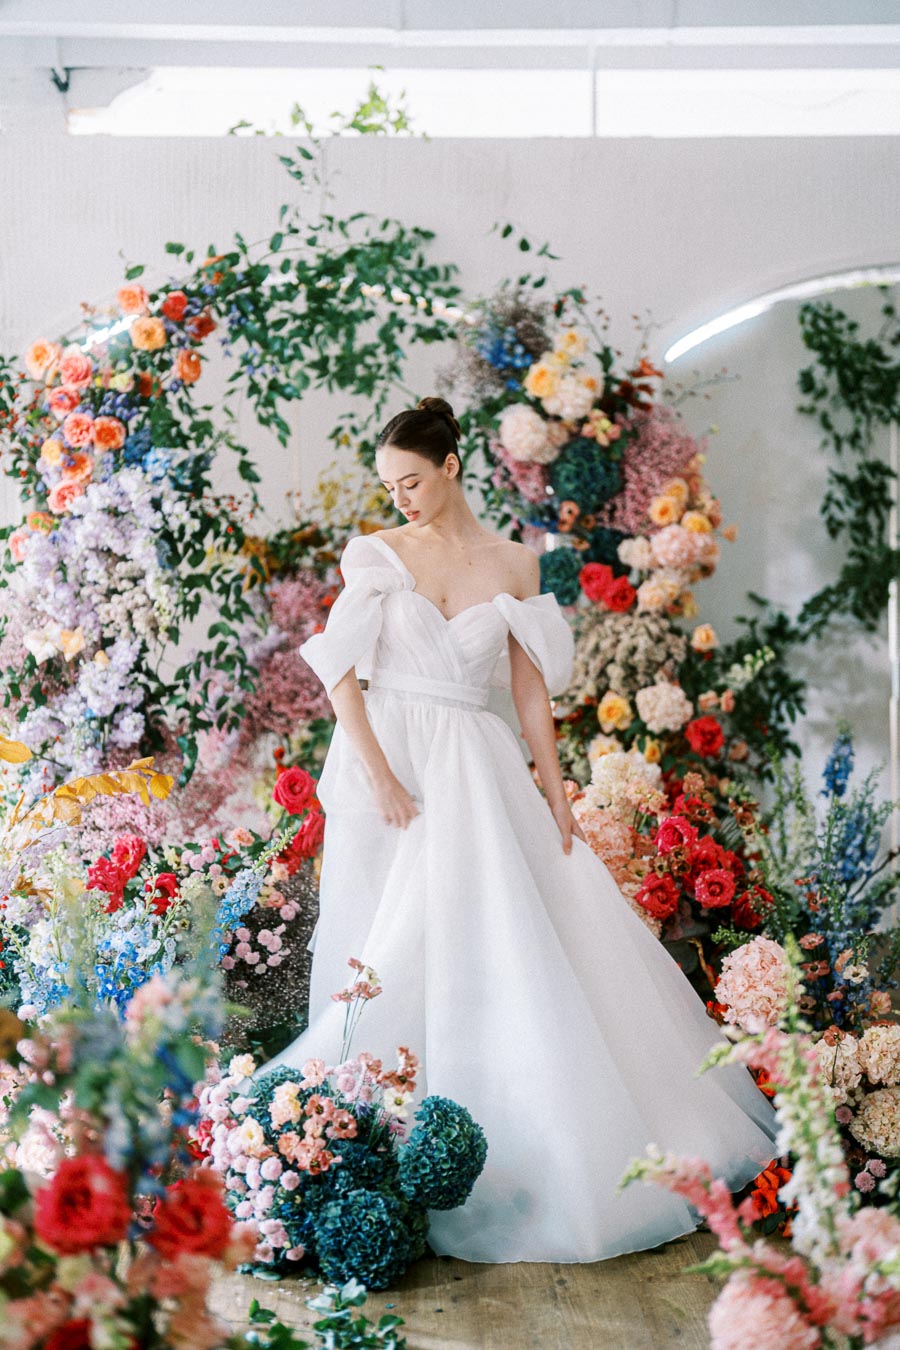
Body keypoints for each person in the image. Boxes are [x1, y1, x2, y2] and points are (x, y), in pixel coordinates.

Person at [265, 395, 778, 1264]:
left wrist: (556, 784)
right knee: (385, 936)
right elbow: (341, 675)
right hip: (390, 760)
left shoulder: (515, 565)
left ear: (453, 465)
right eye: (390, 485)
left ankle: (503, 1140)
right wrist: (382, 775)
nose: (401, 498)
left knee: (485, 932)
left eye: (414, 480)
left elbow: (529, 686)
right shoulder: (377, 555)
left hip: (474, 758)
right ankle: (363, 1130)